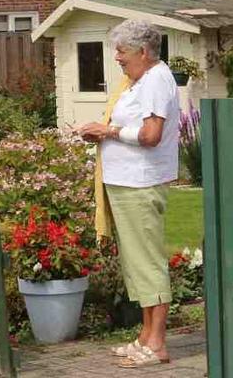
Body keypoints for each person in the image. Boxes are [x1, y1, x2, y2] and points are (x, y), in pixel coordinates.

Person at [77, 20, 181, 369]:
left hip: (141, 182)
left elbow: (151, 135)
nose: (117, 57)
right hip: (127, 182)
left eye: (122, 50)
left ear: (144, 51)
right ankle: (145, 336)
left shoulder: (155, 80)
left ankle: (157, 344)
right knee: (136, 264)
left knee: (147, 263)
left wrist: (109, 131)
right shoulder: (141, 80)